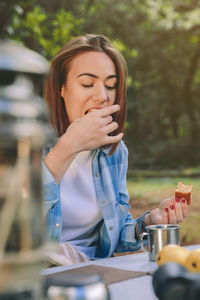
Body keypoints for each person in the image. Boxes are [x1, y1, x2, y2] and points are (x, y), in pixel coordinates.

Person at [43, 34, 188, 265]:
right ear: (61, 87)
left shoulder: (116, 153)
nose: (102, 97)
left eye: (110, 85)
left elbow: (116, 234)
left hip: (94, 271)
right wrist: (68, 147)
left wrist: (151, 220)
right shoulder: (25, 144)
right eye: (87, 84)